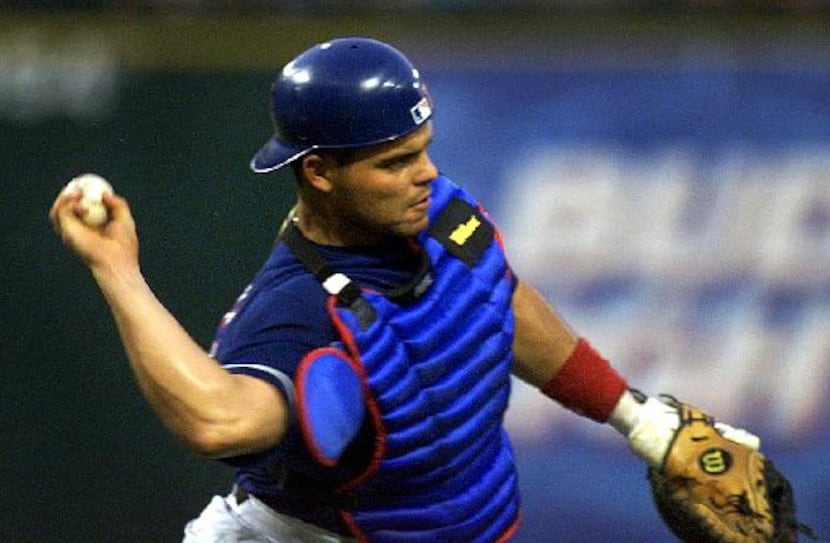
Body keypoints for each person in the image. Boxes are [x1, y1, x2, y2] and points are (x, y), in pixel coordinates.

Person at [50, 37, 758, 542]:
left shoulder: (440, 211)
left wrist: (637, 418)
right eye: (395, 163)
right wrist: (118, 269)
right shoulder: (300, 311)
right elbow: (218, 420)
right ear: (321, 171)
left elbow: (497, 300)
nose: (424, 174)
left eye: (422, 151)